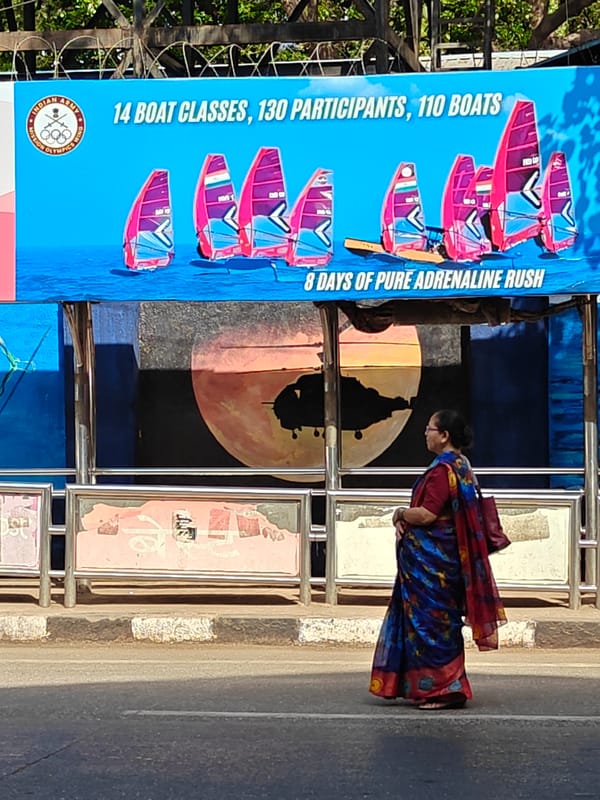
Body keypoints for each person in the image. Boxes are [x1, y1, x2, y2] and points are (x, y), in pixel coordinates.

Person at [369, 408, 507, 710]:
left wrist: (400, 513)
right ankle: (440, 686)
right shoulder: (462, 466)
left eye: (430, 428)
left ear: (444, 436)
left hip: (434, 569)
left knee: (430, 626)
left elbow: (428, 514)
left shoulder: (443, 471)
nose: (425, 433)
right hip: (442, 565)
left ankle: (443, 689)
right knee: (439, 625)